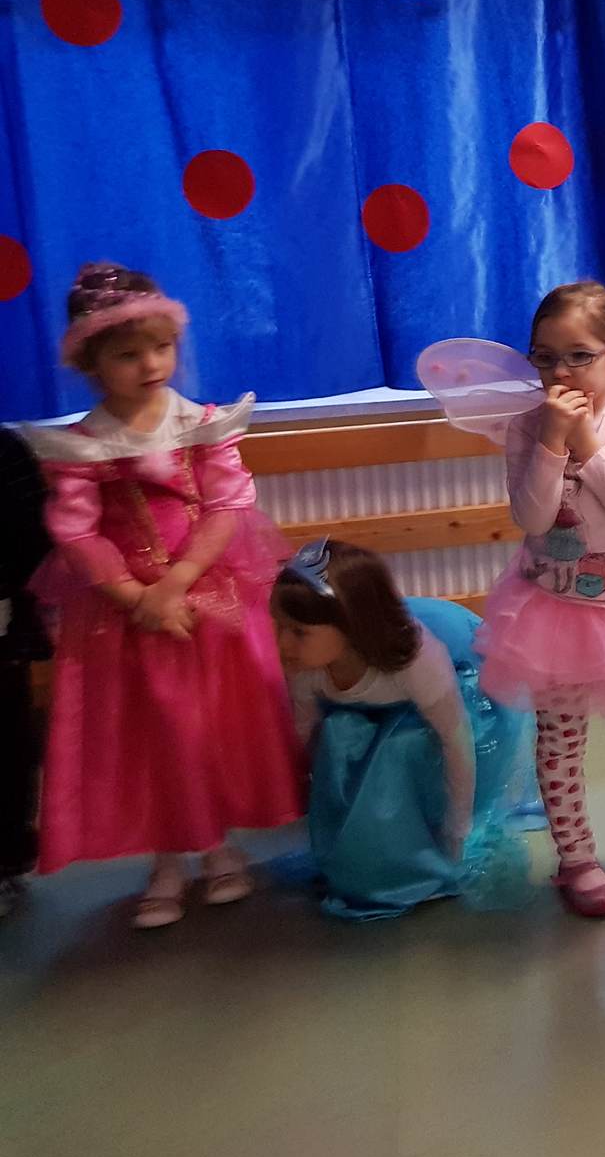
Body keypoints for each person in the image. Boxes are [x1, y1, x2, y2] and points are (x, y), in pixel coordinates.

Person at [420, 283, 605, 917]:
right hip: (553, 613)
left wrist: (587, 443)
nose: (560, 372)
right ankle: (576, 858)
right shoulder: (528, 427)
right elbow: (532, 518)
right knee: (559, 742)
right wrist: (552, 443)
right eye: (545, 357)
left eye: (579, 356)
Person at [24, 263, 301, 929]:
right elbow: (76, 531)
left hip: (206, 598)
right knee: (152, 736)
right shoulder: (83, 446)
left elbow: (227, 505)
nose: (150, 364)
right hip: (122, 614)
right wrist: (134, 597)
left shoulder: (201, 424)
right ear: (91, 362)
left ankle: (220, 848)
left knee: (209, 725)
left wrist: (174, 586)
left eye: (161, 347)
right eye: (128, 354)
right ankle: (167, 862)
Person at [272, 539, 533, 920]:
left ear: (349, 625)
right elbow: (306, 733)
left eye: (298, 632)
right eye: (279, 627)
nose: (281, 644)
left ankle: (417, 843)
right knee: (340, 733)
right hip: (375, 690)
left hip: (458, 666)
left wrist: (457, 828)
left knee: (405, 744)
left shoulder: (417, 661)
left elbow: (456, 742)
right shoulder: (307, 667)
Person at [0, 424, 52, 919]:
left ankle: (6, 858)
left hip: (1, 624)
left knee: (8, 743)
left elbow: (33, 540)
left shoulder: (6, 451)